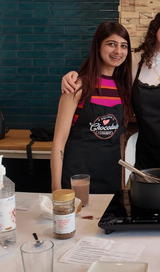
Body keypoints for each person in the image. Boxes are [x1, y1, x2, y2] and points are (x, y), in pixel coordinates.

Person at [61, 8, 160, 175]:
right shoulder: (131, 61)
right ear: (158, 25)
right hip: (148, 152)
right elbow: (102, 70)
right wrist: (74, 76)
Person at [51, 21, 132, 193]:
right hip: (77, 178)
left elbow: (119, 140)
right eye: (111, 44)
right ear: (98, 47)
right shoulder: (77, 85)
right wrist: (56, 188)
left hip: (110, 178)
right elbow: (59, 140)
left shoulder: (124, 89)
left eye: (123, 46)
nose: (118, 51)